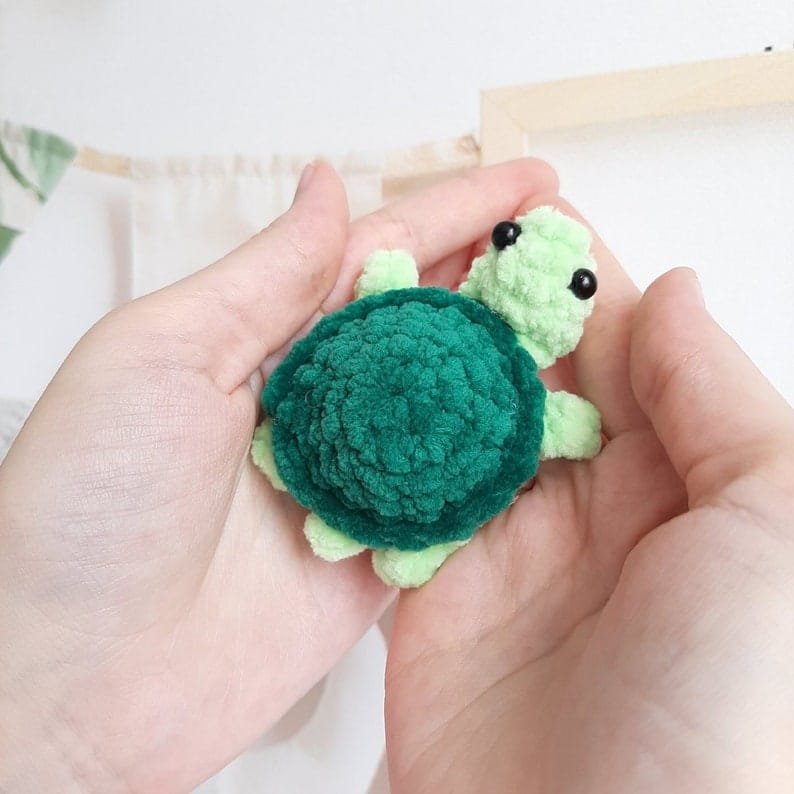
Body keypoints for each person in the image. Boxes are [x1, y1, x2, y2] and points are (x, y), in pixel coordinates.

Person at [0, 159, 792, 794]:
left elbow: (552, 416)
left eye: (581, 285)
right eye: (510, 234)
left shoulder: (470, 350)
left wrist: (52, 737)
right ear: (497, 247)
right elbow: (566, 427)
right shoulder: (529, 402)